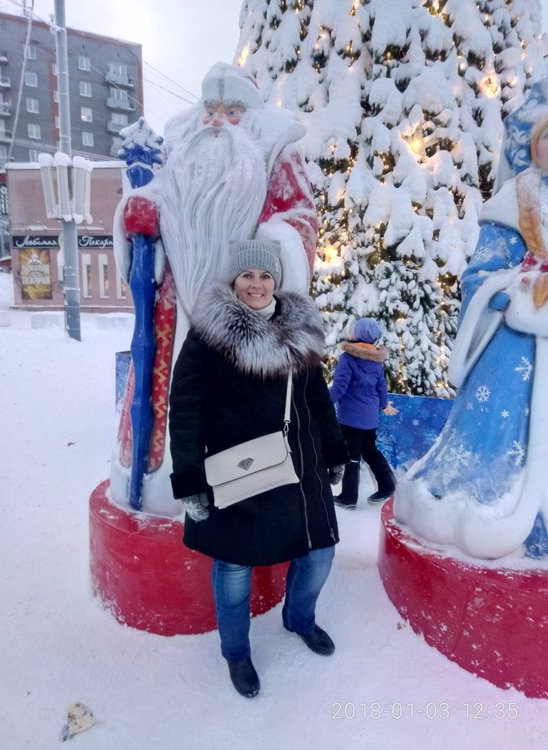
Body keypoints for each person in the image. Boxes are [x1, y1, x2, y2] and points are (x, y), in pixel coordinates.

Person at [110, 62, 319, 514]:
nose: (218, 121)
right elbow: (159, 202)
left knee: (233, 407)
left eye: (233, 111)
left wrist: (267, 250)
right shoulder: (181, 153)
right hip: (174, 308)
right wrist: (138, 212)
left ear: (253, 116)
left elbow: (300, 220)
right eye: (211, 110)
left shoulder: (277, 153)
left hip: (245, 314)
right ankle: (164, 481)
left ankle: (233, 488)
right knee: (178, 398)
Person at [168, 239, 348, 698]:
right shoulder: (209, 335)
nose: (257, 284)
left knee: (320, 554)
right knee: (234, 568)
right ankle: (236, 652)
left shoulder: (298, 329)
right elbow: (185, 408)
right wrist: (189, 479)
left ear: (276, 282)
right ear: (234, 280)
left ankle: (299, 619)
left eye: (265, 276)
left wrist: (334, 450)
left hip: (300, 468)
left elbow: (317, 397)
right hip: (239, 472)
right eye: (248, 275)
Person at [394, 81, 548, 561]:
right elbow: (481, 275)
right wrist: (518, 288)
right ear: (532, 144)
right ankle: (491, 507)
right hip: (516, 347)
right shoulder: (515, 201)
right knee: (498, 426)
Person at [329, 318, 398, 508]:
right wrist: (384, 405)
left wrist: (324, 404)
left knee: (351, 457)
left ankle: (348, 498)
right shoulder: (377, 360)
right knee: (370, 450)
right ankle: (388, 485)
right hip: (369, 417)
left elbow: (339, 387)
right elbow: (381, 386)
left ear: (357, 334)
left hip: (351, 417)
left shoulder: (348, 358)